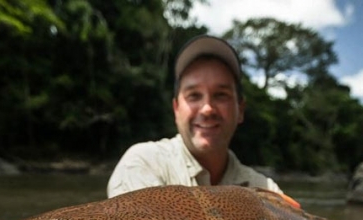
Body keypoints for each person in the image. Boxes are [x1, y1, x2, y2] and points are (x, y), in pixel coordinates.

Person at [107, 35, 282, 198]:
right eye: (194, 96)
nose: (207, 109)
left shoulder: (266, 190)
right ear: (176, 109)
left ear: (240, 110)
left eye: (221, 95)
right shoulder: (143, 163)